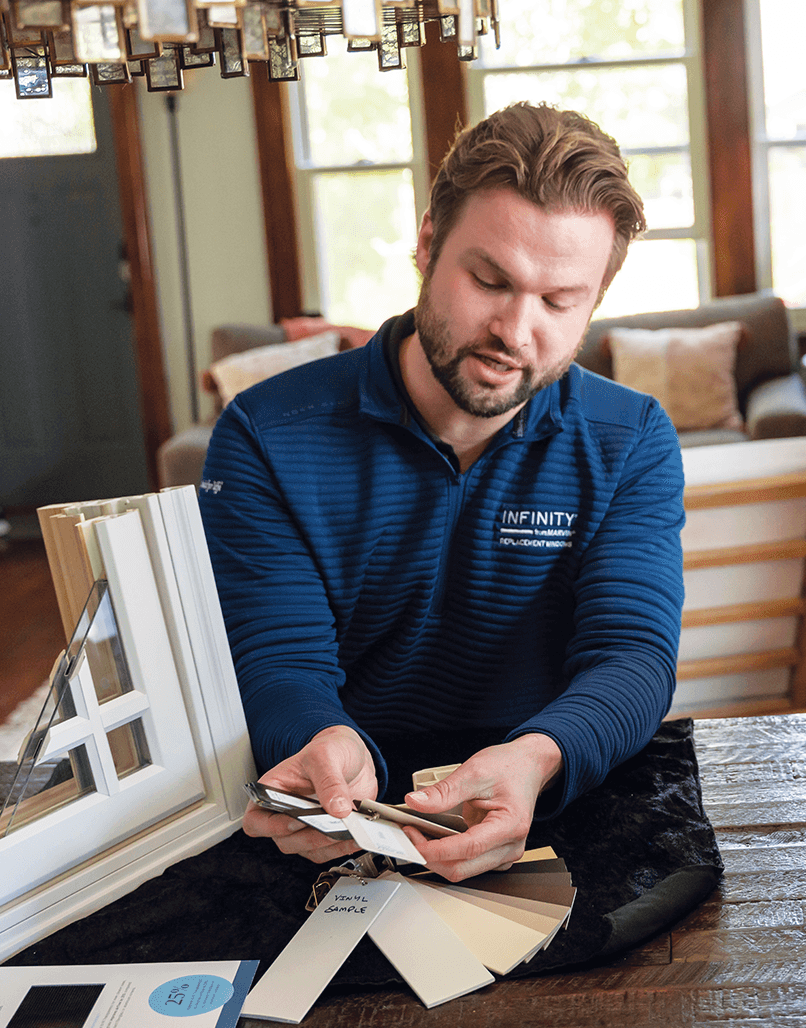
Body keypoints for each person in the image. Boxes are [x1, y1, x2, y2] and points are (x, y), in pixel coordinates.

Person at [199, 103, 685, 882]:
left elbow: (631, 655)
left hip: (548, 800)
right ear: (428, 242)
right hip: (334, 807)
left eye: (560, 301)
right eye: (490, 280)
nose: (516, 330)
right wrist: (324, 740)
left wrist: (536, 757)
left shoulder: (630, 440)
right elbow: (277, 660)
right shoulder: (266, 434)